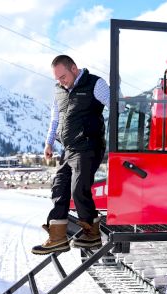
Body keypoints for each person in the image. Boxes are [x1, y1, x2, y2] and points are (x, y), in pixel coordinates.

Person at [32, 55, 109, 255]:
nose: (61, 81)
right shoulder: (59, 91)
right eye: (57, 78)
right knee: (59, 186)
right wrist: (49, 142)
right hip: (69, 149)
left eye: (63, 76)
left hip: (89, 145)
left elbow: (116, 106)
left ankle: (92, 233)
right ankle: (58, 237)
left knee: (78, 189)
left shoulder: (94, 84)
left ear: (74, 68)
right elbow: (55, 118)